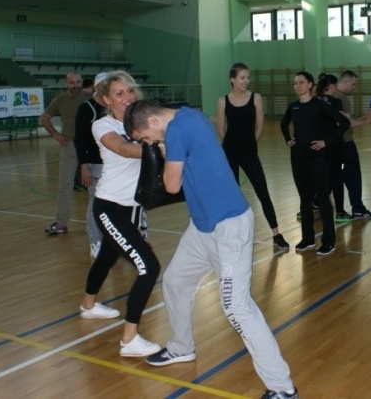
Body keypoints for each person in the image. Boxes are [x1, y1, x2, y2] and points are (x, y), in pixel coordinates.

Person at [126, 101, 299, 399]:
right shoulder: (189, 115)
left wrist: (164, 153)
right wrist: (170, 150)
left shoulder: (176, 129)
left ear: (153, 121)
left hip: (229, 227)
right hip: (202, 226)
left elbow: (170, 185)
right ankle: (181, 347)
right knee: (176, 281)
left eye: (145, 137)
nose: (149, 143)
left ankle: (282, 388)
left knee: (237, 307)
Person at [79, 71, 162, 358]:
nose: (127, 97)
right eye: (118, 93)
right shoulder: (102, 125)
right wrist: (155, 145)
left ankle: (88, 306)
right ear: (105, 98)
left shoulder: (140, 120)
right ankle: (129, 340)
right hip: (110, 207)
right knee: (149, 267)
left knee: (107, 256)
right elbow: (124, 149)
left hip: (133, 208)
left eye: (130, 91)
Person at [216, 62, 289, 251]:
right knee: (232, 194)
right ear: (232, 79)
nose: (246, 81)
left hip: (249, 152)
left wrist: (250, 144)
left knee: (263, 192)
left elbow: (260, 126)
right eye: (242, 77)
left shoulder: (255, 98)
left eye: (247, 77)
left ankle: (276, 234)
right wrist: (233, 145)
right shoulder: (223, 101)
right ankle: (232, 235)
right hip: (230, 152)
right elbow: (221, 129)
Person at [281, 71, 350, 255]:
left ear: (310, 85)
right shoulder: (294, 107)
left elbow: (343, 123)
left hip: (318, 159)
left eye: (301, 82)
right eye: (295, 83)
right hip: (297, 158)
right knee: (305, 200)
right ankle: (308, 238)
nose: (298, 86)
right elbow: (283, 124)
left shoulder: (319, 106)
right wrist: (288, 139)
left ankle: (329, 241)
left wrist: (326, 141)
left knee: (323, 200)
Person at [42, 71, 90, 235]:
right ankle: (61, 222)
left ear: (82, 82)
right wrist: (56, 135)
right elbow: (44, 118)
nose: (75, 85)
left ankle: (101, 223)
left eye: (78, 82)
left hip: (90, 148)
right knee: (64, 185)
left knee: (96, 187)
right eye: (72, 82)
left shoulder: (90, 98)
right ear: (66, 83)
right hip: (69, 147)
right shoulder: (60, 100)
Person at [74, 72, 110, 257]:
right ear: (96, 86)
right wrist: (84, 165)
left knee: (114, 205)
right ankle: (94, 241)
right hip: (95, 164)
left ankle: (111, 242)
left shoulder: (113, 108)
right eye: (104, 84)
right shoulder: (87, 108)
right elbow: (79, 140)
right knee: (95, 203)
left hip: (113, 164)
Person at [334, 70, 371, 218]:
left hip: (337, 145)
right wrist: (366, 121)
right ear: (345, 82)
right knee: (353, 177)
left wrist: (362, 118)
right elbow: (347, 124)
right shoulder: (341, 98)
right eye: (353, 84)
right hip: (345, 145)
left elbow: (343, 121)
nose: (354, 87)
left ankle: (316, 202)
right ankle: (357, 208)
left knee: (339, 176)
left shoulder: (333, 96)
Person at [317, 74, 350, 223]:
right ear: (331, 86)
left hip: (318, 147)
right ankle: (340, 212)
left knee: (320, 178)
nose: (337, 88)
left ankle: (313, 205)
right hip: (336, 147)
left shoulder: (313, 101)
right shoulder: (336, 102)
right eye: (335, 85)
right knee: (338, 177)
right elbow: (341, 123)